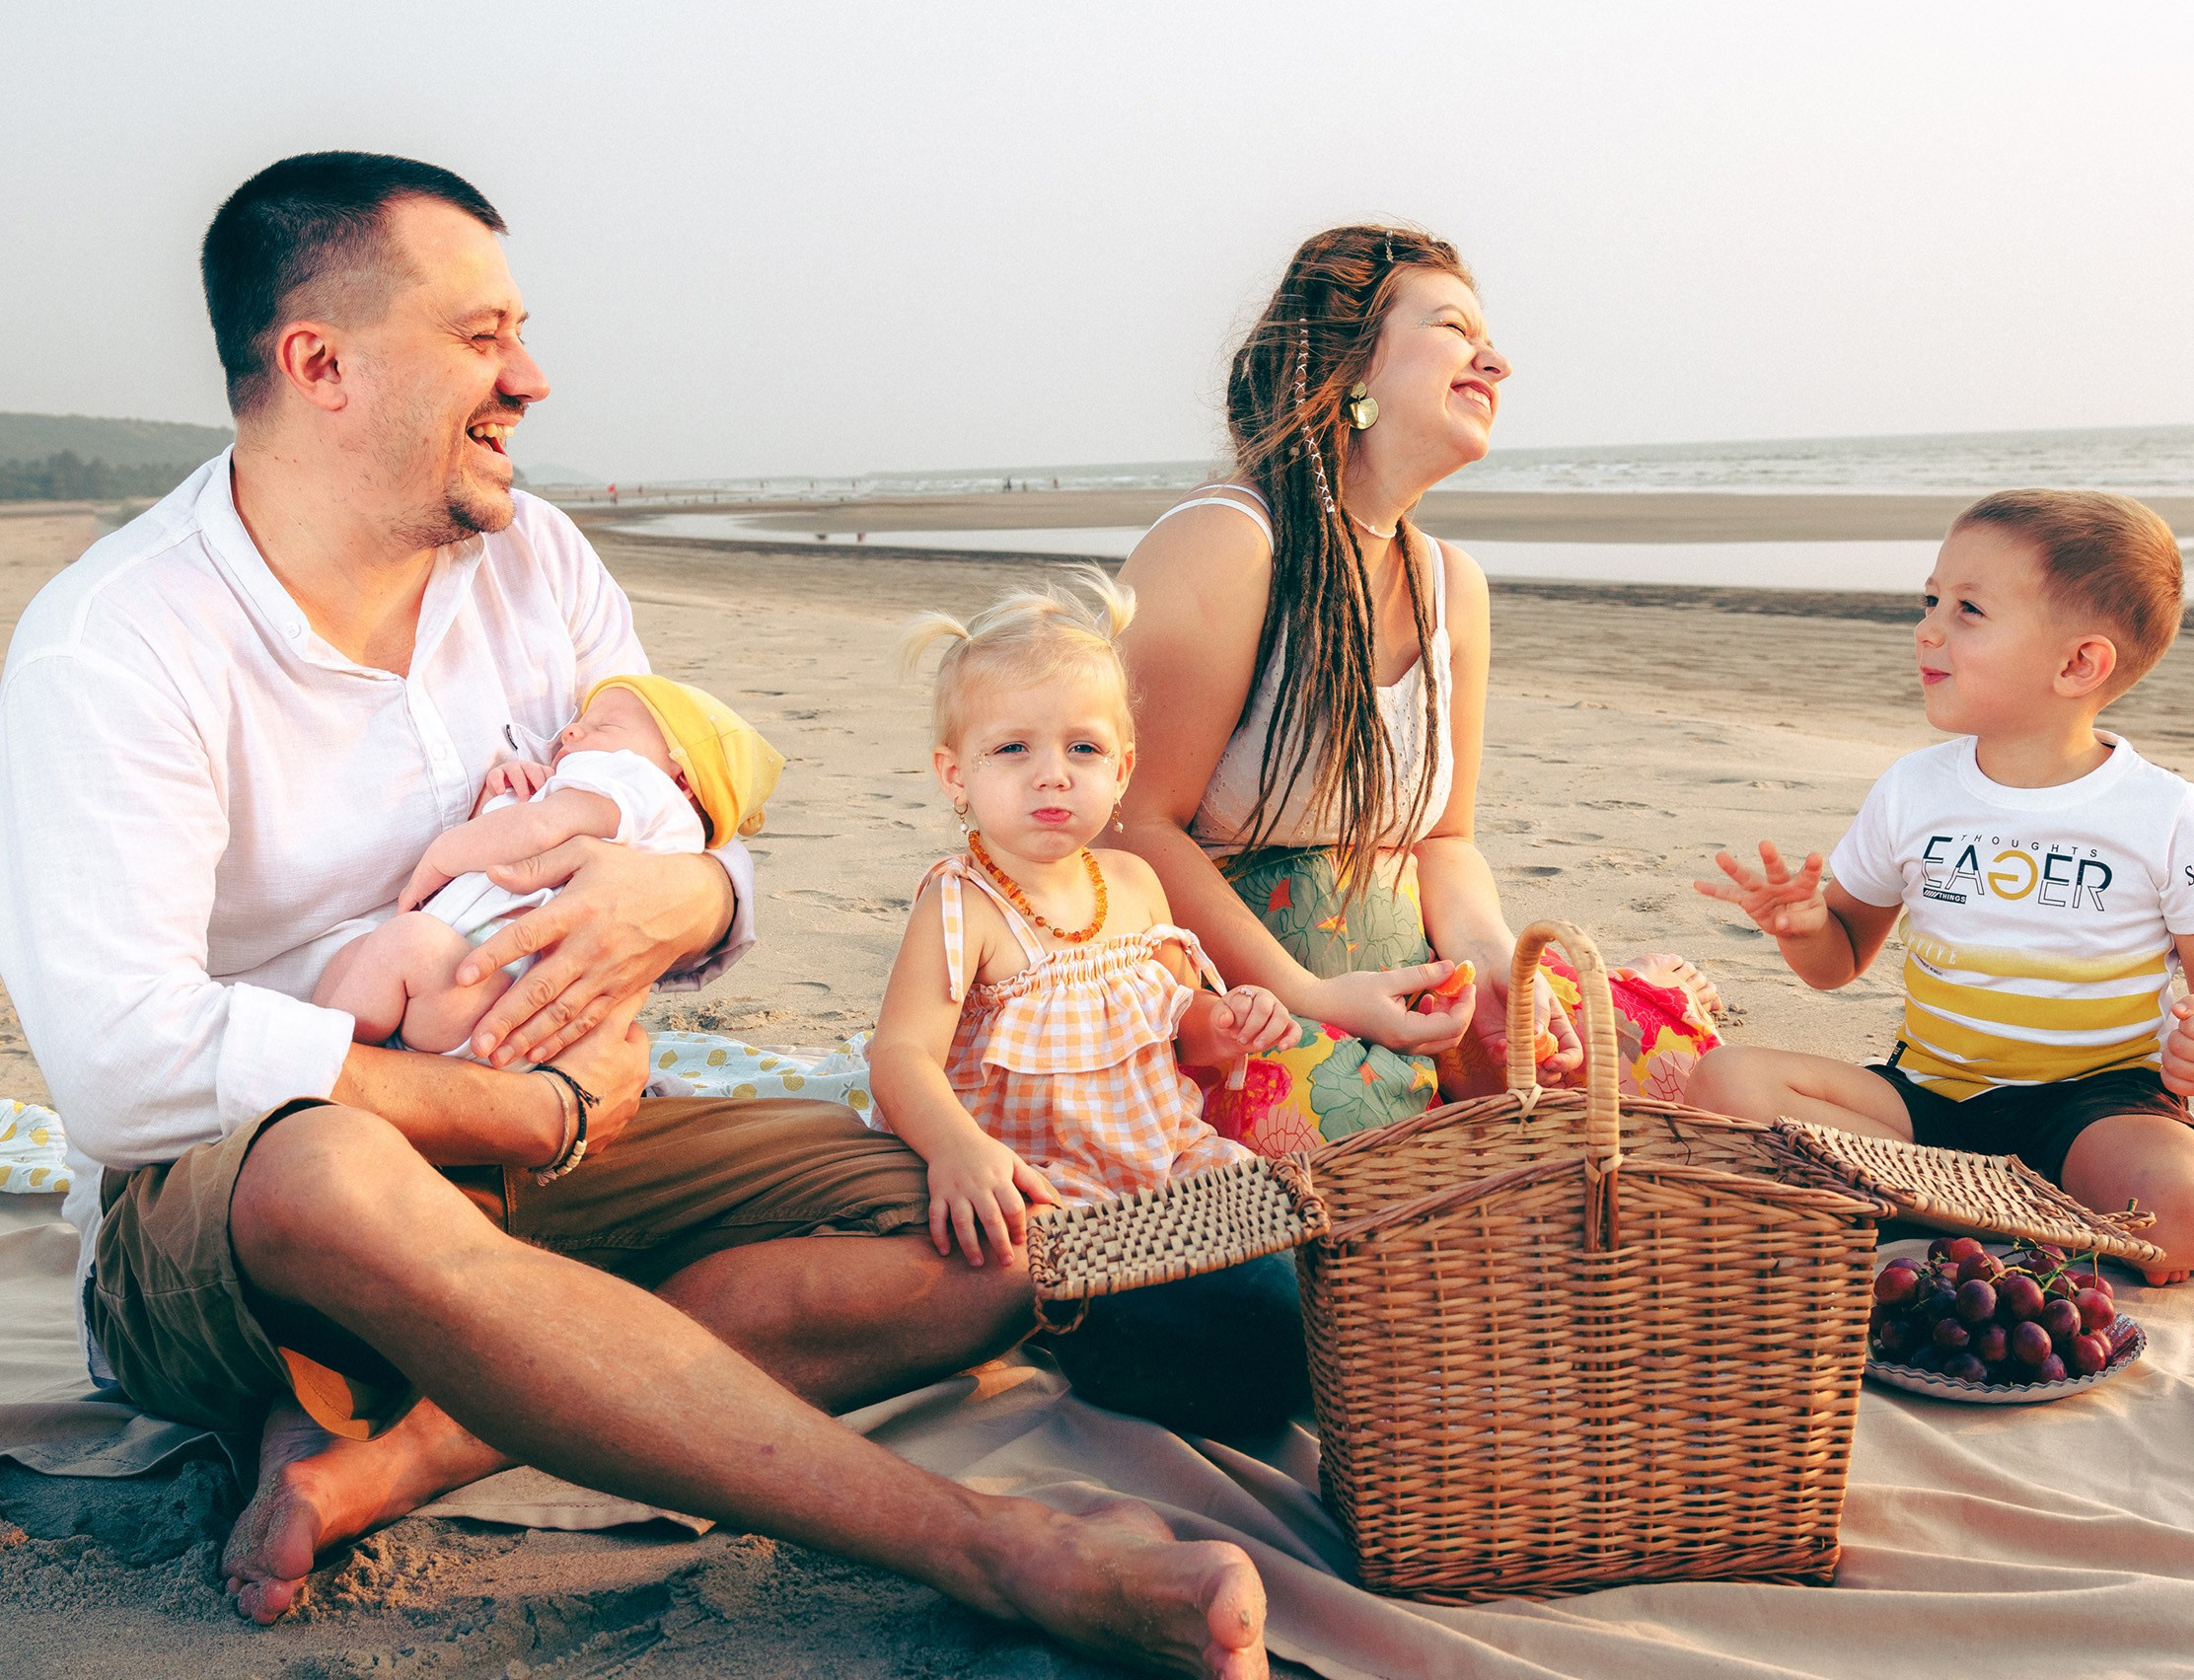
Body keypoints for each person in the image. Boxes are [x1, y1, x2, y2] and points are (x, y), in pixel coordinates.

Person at [0, 152, 1265, 1675]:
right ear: (320, 363)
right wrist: (523, 1111)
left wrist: (691, 892)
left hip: (577, 1128)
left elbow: (702, 835)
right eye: (481, 336)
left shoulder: (535, 559)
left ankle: (415, 1441)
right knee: (324, 1167)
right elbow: (119, 1061)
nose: (529, 377)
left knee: (994, 1237)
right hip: (241, 1221)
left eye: (521, 331)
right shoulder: (118, 640)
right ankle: (995, 1546)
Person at [1684, 489, 2194, 1284]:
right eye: (1930, 599)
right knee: (1724, 1082)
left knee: (2192, 1213)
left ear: (2078, 664)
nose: (1927, 628)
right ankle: (2001, 1204)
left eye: (1968, 609)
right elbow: (1839, 960)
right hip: (1928, 1100)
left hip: (2097, 1112)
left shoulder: (2164, 812)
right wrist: (1803, 926)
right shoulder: (1911, 790)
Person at [1115, 226, 1720, 1156]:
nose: (1496, 362)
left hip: (1411, 980)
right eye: (1453, 328)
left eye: (1489, 338)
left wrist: (1490, 961)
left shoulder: (1452, 585)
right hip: (1239, 999)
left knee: (1663, 1067)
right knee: (1350, 1130)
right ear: (1350, 364)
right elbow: (1130, 825)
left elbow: (1444, 838)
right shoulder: (1230, 542)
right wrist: (1311, 994)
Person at [868, 571, 1309, 1435]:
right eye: (1012, 749)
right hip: (1052, 1192)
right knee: (1181, 1326)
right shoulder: (962, 904)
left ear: (1122, 767)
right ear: (955, 775)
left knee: (1288, 1265)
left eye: (1082, 749)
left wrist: (1224, 1024)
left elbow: (1178, 1028)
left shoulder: (1135, 883)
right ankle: (1129, 1347)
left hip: (1171, 1162)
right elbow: (900, 1053)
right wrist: (958, 1149)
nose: (1052, 776)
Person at [316, 675, 782, 1054]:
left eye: (605, 727)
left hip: (495, 995)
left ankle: (329, 1068)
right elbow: (512, 846)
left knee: (400, 943)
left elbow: (538, 830)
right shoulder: (631, 813)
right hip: (499, 1001)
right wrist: (501, 798)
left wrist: (443, 853)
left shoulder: (642, 785)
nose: (570, 733)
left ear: (681, 780)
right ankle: (341, 1061)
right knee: (357, 956)